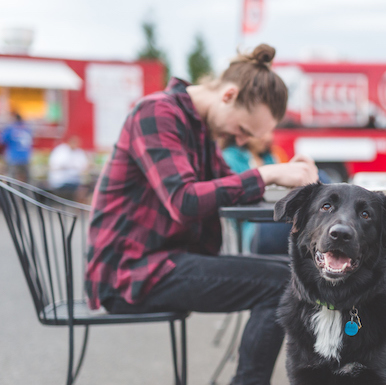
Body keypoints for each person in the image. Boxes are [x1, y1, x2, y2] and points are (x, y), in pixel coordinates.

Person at [85, 44, 318, 385]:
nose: (239, 140)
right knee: (284, 282)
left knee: (292, 275)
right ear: (228, 94)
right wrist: (267, 174)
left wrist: (289, 188)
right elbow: (184, 201)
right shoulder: (155, 113)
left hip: (164, 261)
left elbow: (227, 188)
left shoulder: (201, 130)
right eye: (242, 130)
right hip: (130, 272)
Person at [48, 135, 90, 202]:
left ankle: (80, 206)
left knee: (87, 186)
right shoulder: (60, 151)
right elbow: (55, 166)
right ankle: (79, 206)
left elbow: (85, 165)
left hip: (75, 180)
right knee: (81, 188)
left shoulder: (79, 152)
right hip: (61, 180)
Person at [1, 112, 32, 182]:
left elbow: (2, 140)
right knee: (26, 181)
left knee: (12, 180)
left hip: (13, 158)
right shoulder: (27, 129)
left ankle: (12, 192)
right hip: (26, 158)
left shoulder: (10, 129)